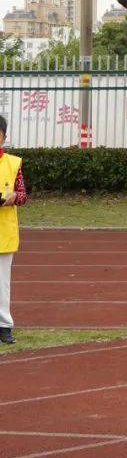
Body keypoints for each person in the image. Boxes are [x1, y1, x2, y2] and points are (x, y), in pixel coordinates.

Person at [0, 114, 26, 346]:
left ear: (4, 137)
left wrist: (13, 197)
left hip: (4, 233)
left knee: (2, 282)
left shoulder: (13, 163)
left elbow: (23, 195)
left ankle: (4, 326)